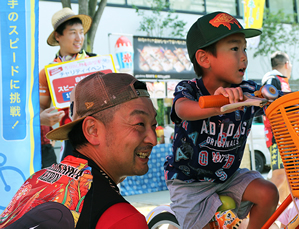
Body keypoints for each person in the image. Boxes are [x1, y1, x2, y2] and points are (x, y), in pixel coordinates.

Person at [164, 11, 279, 229]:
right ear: (204, 58)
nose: (244, 56)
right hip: (189, 182)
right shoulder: (189, 89)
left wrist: (273, 99)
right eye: (235, 49)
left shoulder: (247, 91)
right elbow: (183, 109)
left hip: (229, 176)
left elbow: (275, 102)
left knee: (268, 192)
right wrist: (220, 103)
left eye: (244, 48)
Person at [0, 72, 157, 228]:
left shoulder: (37, 180)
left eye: (154, 125)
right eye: (140, 124)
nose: (153, 139)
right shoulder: (124, 220)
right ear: (92, 130)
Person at [39, 7, 96, 163]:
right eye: (72, 32)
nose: (79, 38)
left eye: (81, 32)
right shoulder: (47, 73)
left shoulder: (96, 63)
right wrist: (41, 118)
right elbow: (40, 107)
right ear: (58, 36)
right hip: (71, 141)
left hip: (101, 136)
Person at [261, 51, 292, 205]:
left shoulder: (279, 79)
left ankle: (286, 216)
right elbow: (268, 103)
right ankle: (259, 206)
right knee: (280, 176)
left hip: (284, 136)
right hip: (278, 137)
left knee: (287, 177)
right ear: (287, 64)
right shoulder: (272, 78)